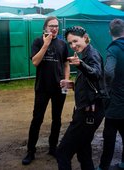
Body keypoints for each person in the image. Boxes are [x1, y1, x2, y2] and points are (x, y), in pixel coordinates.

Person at [56, 26, 107, 170]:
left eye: (75, 41)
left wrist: (81, 64)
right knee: (83, 151)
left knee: (62, 152)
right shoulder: (85, 53)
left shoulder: (91, 54)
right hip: (87, 110)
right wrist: (72, 84)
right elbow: (92, 82)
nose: (73, 45)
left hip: (88, 112)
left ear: (85, 37)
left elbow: (96, 73)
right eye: (70, 43)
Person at [22, 16, 70, 165]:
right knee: (37, 119)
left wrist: (66, 80)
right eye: (51, 26)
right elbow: (35, 62)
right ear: (45, 27)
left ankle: (53, 147)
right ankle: (31, 151)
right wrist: (46, 44)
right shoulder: (37, 41)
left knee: (57, 119)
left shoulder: (62, 44)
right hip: (42, 88)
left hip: (58, 88)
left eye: (56, 26)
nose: (54, 28)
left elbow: (66, 64)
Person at [97, 19, 124, 170]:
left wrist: (106, 88)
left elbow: (108, 71)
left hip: (115, 102)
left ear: (109, 32)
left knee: (109, 137)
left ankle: (103, 166)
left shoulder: (113, 49)